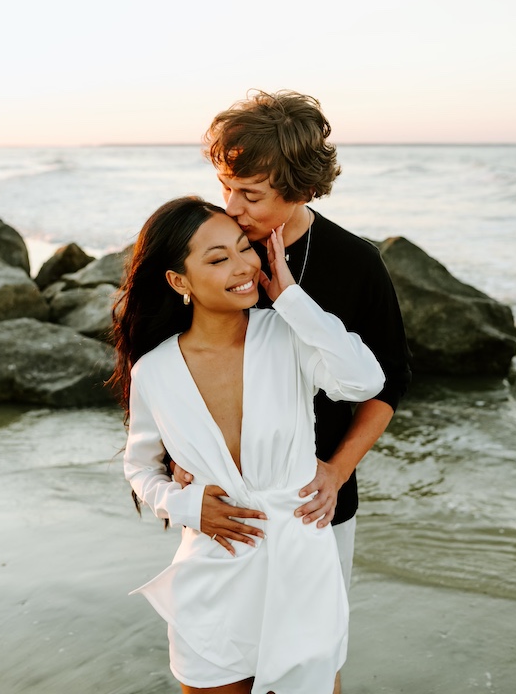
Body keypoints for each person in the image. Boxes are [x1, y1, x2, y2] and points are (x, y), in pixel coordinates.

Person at [170, 91, 412, 693]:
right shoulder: (212, 247)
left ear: (298, 189)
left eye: (249, 194)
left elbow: (387, 385)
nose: (232, 207)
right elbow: (165, 359)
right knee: (224, 664)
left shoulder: (354, 263)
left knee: (308, 668)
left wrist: (335, 471)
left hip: (315, 509)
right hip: (228, 509)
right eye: (226, 185)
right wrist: (173, 460)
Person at [114, 196, 385, 694]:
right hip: (214, 569)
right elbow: (140, 468)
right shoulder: (154, 370)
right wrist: (187, 505)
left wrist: (290, 298)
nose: (244, 267)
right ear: (179, 281)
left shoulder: (287, 335)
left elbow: (365, 380)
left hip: (301, 564)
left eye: (245, 248)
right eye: (218, 259)